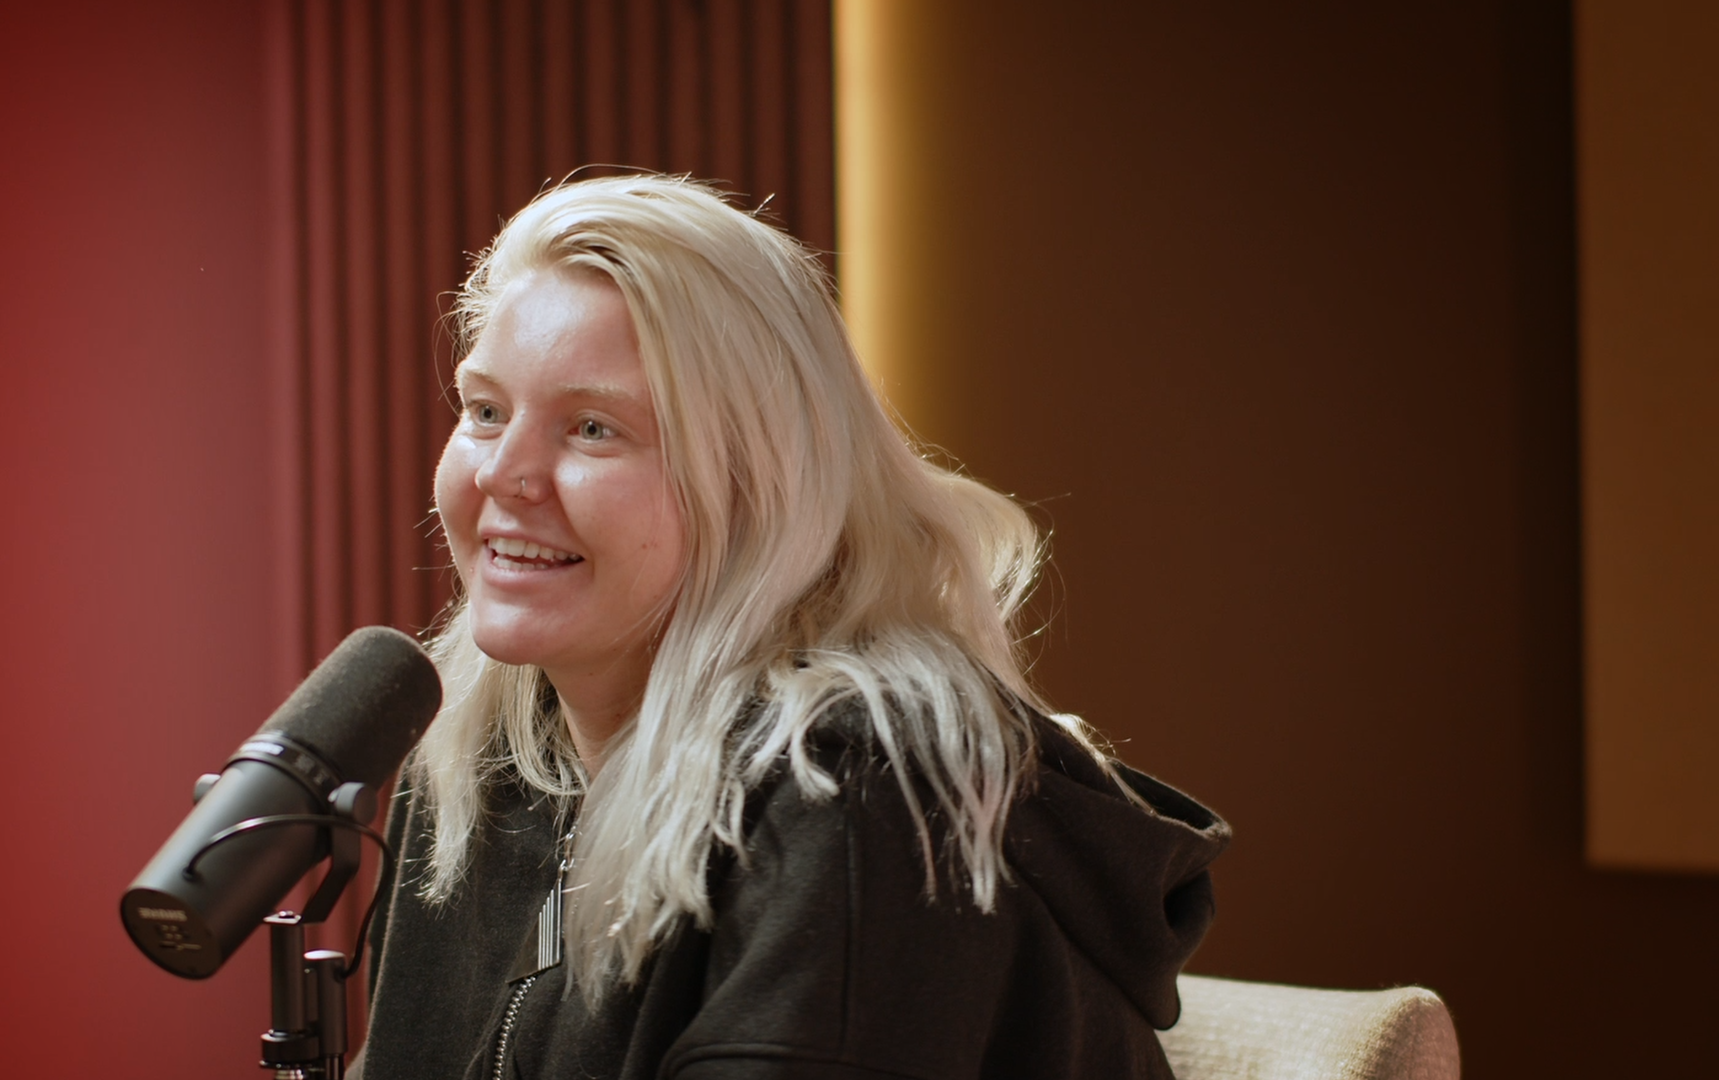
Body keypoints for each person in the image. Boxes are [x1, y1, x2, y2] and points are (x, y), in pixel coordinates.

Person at [354, 174, 1230, 1080]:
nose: (506, 475)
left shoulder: (854, 798)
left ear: (758, 488)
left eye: (592, 428)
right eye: (486, 411)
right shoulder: (479, 758)